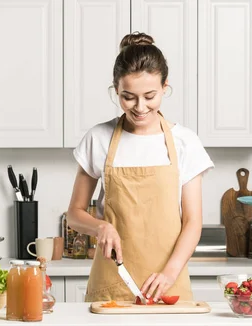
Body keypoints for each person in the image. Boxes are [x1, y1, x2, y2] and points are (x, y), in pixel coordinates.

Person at [67, 32, 214, 302]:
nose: (140, 107)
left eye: (150, 96)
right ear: (115, 89)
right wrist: (100, 227)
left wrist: (168, 274)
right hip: (111, 282)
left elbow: (193, 222)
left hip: (169, 282)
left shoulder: (185, 143)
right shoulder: (98, 138)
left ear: (165, 87)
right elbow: (74, 214)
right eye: (128, 97)